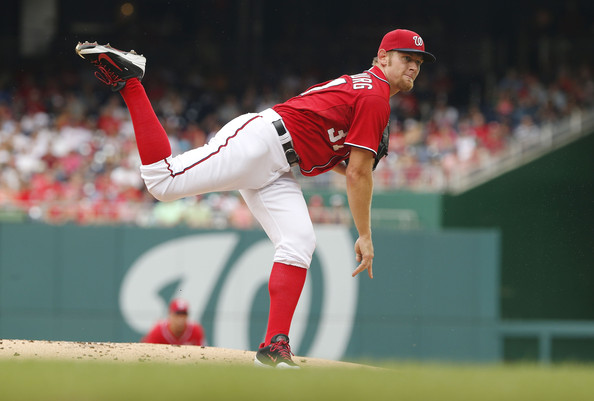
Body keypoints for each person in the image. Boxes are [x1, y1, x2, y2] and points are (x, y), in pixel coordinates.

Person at [76, 28, 435, 368]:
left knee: (298, 242)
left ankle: (274, 346)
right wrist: (365, 235)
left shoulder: (368, 91)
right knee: (162, 182)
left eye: (418, 61)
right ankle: (132, 82)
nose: (414, 66)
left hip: (278, 164)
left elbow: (346, 164)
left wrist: (356, 165)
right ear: (383, 57)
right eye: (406, 58)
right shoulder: (374, 97)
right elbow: (358, 174)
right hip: (261, 143)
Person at [141, 298, 207, 346]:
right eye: (177, 314)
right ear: (170, 314)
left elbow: (202, 355)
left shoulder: (195, 330)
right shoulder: (158, 330)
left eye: (183, 314)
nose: (181, 318)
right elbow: (147, 354)